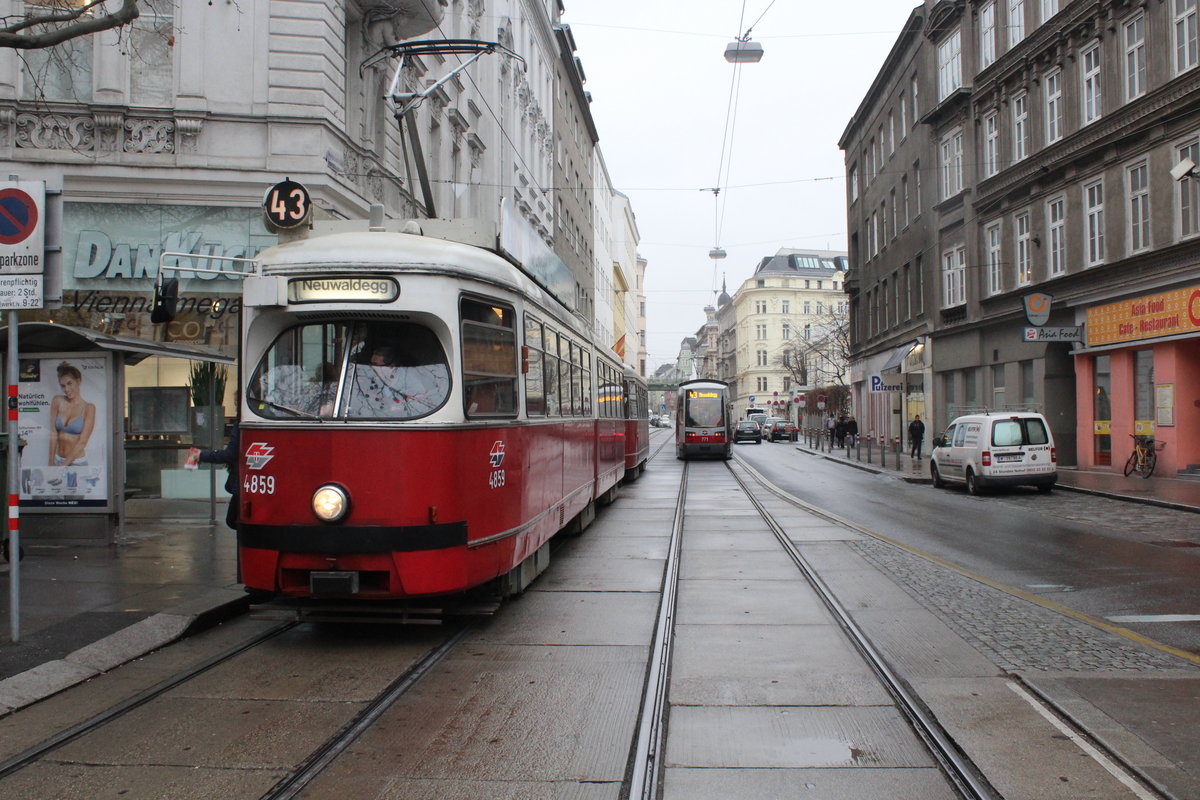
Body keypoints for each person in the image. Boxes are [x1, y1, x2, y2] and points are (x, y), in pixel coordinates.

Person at [189, 421, 240, 530]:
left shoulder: (240, 424)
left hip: (242, 483)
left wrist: (201, 455)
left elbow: (230, 454)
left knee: (233, 520)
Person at [48, 361, 96, 466]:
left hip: (77, 462)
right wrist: (51, 462)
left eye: (69, 384)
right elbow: (53, 433)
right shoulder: (57, 401)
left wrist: (64, 465)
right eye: (63, 386)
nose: (66, 389)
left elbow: (83, 442)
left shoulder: (89, 408)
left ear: (78, 381)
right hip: (58, 459)